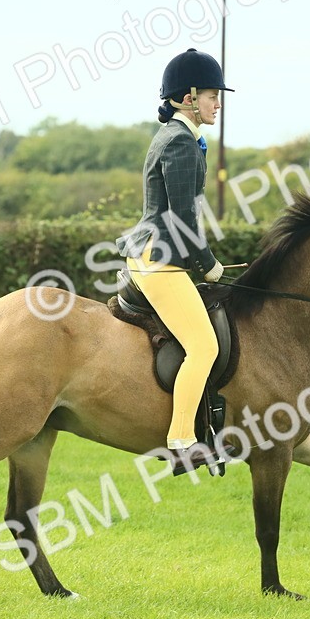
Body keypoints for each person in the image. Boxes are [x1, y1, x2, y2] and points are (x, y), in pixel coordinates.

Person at [115, 47, 234, 470]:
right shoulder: (180, 142)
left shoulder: (182, 137)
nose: (218, 103)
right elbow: (183, 218)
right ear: (188, 98)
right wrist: (209, 265)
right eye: (212, 96)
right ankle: (182, 441)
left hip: (160, 253)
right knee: (203, 346)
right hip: (159, 258)